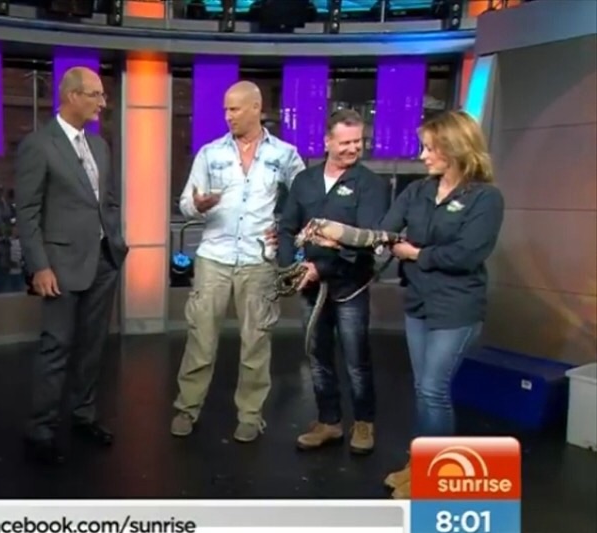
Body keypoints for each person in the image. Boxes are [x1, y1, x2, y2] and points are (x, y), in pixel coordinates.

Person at [302, 111, 504, 498]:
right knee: (423, 388)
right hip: (419, 303)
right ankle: (419, 465)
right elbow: (383, 233)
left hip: (456, 308)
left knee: (433, 389)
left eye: (429, 148)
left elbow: (466, 255)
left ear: (455, 149)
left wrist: (414, 253)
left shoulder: (486, 198)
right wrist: (339, 235)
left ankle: (434, 476)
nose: (422, 155)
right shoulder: (419, 191)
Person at [171, 81, 306, 442]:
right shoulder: (210, 153)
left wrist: (286, 230)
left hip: (258, 260)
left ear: (256, 108)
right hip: (213, 258)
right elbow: (185, 202)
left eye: (234, 109)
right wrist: (197, 206)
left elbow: (304, 201)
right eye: (225, 109)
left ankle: (250, 415)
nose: (227, 116)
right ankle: (187, 407)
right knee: (200, 338)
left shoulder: (285, 155)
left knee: (256, 341)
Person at [15, 66, 129, 465]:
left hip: (103, 261)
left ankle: (84, 416)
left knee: (92, 347)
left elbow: (107, 200)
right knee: (57, 346)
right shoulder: (39, 145)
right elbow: (27, 213)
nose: (103, 103)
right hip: (60, 266)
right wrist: (40, 266)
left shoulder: (99, 146)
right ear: (72, 96)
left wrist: (116, 240)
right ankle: (41, 428)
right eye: (96, 95)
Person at [276, 109, 390, 454]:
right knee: (317, 356)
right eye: (345, 142)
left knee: (356, 360)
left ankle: (364, 423)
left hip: (349, 288)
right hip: (310, 286)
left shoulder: (371, 185)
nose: (353, 148)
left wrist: (320, 267)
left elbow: (364, 240)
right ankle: (329, 422)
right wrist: (292, 268)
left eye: (358, 142)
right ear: (327, 141)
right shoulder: (305, 181)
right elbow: (287, 228)